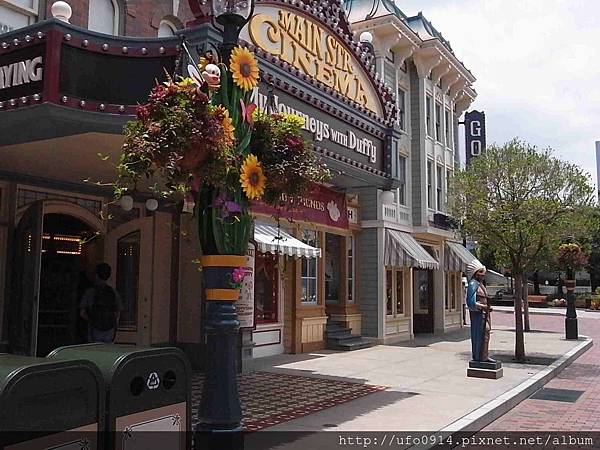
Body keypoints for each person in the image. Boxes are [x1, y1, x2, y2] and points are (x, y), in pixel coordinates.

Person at [80, 263, 122, 343]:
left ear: (96, 275)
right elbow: (117, 313)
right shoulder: (113, 292)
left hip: (94, 329)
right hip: (109, 329)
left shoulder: (90, 292)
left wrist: (92, 321)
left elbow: (82, 313)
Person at [466, 261, 495, 363]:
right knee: (481, 334)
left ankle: (484, 355)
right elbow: (470, 302)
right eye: (481, 272)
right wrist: (483, 307)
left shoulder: (480, 285)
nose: (483, 275)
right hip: (478, 315)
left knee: (486, 333)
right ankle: (479, 356)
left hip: (485, 314)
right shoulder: (473, 284)